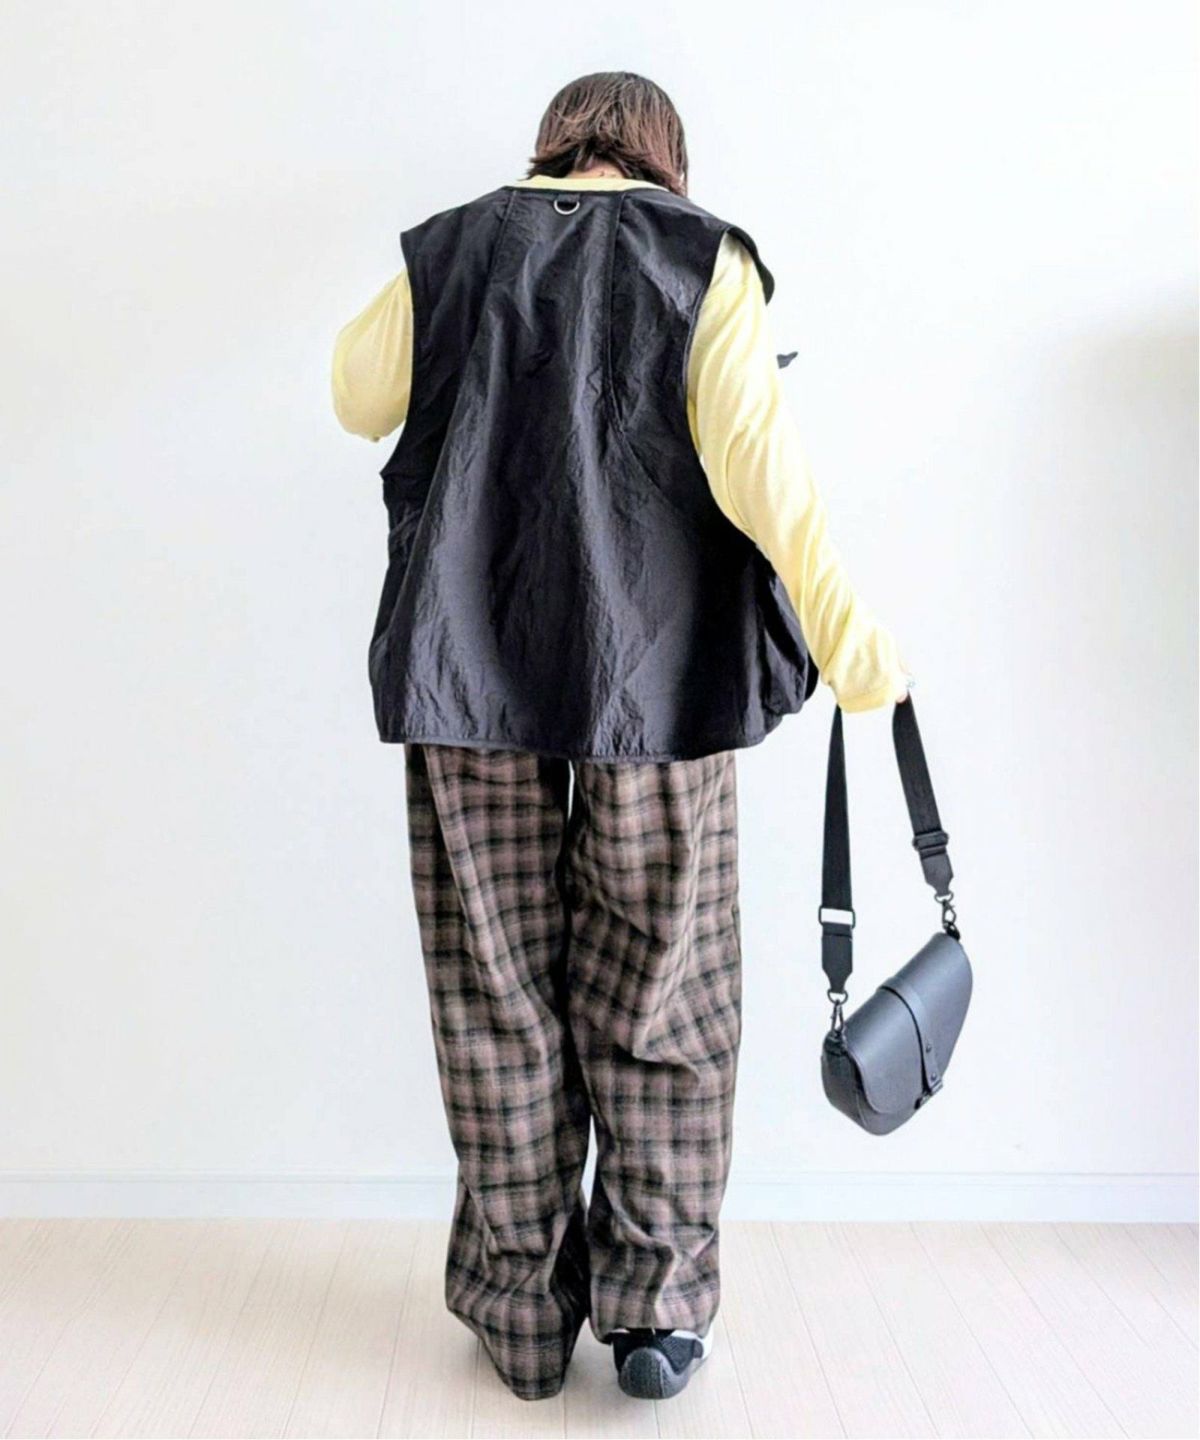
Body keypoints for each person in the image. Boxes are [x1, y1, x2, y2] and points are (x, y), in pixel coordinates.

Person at [331, 70, 910, 1404]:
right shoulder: (703, 259)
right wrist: (849, 638)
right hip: (661, 688)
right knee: (666, 990)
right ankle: (656, 1312)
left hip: (464, 683)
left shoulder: (451, 246)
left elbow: (356, 397)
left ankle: (522, 1315)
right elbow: (768, 478)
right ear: (664, 156)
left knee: (495, 995)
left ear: (552, 145)